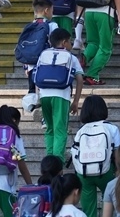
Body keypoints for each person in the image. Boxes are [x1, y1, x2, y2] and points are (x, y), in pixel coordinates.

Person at [38, 28, 84, 162]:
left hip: (44, 95)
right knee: (60, 130)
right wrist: (76, 101)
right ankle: (57, 162)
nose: (71, 44)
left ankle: (49, 159)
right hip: (61, 96)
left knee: (49, 129)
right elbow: (80, 80)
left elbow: (37, 76)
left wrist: (38, 96)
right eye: (70, 41)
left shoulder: (44, 54)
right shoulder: (71, 57)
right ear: (64, 42)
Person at [75, 95, 120, 217]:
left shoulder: (81, 130)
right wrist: (119, 170)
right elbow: (118, 152)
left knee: (88, 210)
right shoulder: (112, 128)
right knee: (110, 202)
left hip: (84, 173)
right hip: (106, 172)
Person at [22, 0, 59, 97]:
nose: (52, 14)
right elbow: (57, 46)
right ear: (46, 10)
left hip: (31, 65)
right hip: (47, 65)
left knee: (32, 93)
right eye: (52, 11)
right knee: (46, 93)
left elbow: (24, 45)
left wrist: (26, 66)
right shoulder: (52, 25)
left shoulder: (29, 26)